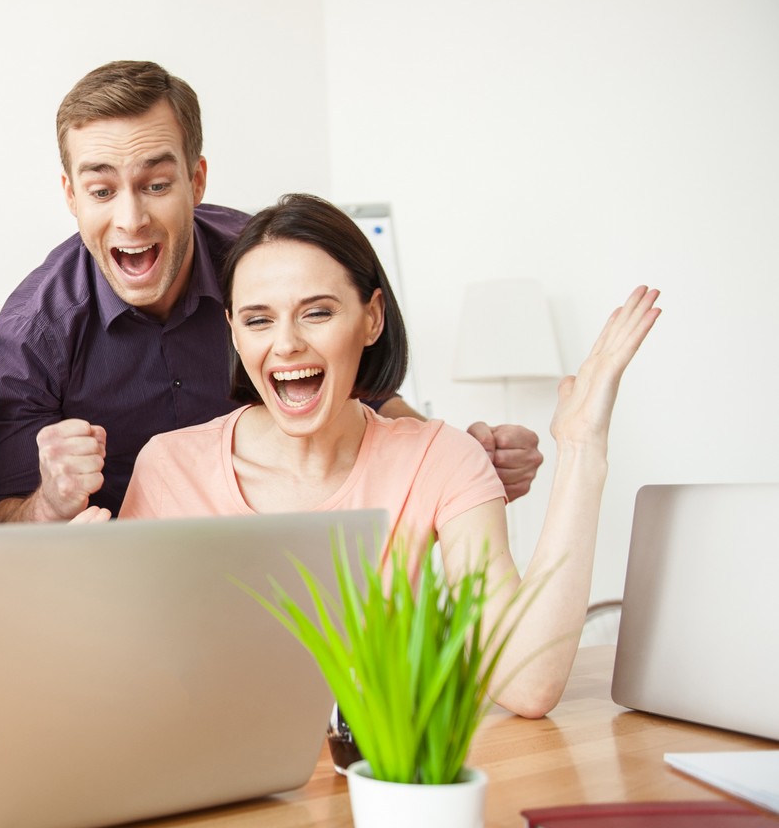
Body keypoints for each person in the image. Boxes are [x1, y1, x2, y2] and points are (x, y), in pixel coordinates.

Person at [121, 193, 660, 718]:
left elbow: (527, 684)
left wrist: (581, 448)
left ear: (372, 318)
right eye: (259, 319)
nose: (285, 344)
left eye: (317, 313)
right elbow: (129, 685)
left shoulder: (440, 459)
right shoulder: (169, 468)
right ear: (234, 332)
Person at [0, 60, 543, 523]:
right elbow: (0, 526)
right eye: (102, 190)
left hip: (286, 554)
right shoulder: (36, 330)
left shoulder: (263, 263)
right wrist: (48, 504)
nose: (131, 219)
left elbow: (362, 396)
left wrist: (461, 464)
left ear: (197, 180)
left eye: (156, 185)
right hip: (117, 586)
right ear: (70, 195)